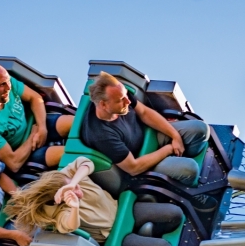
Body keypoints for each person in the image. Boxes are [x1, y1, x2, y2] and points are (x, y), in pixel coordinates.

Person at [6, 156, 184, 246]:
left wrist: (73, 183)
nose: (78, 190)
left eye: (74, 186)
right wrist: (74, 205)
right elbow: (69, 225)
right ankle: (144, 235)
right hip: (114, 234)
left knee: (176, 214)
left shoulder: (68, 178)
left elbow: (86, 163)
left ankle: (148, 231)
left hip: (121, 211)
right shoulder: (59, 213)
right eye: (73, 191)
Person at [80, 71, 210, 186]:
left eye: (126, 96)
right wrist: (169, 148)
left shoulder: (120, 95)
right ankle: (194, 189)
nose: (128, 102)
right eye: (121, 100)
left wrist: (175, 136)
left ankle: (187, 153)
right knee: (190, 169)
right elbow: (134, 167)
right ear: (103, 104)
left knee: (200, 128)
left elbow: (144, 113)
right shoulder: (102, 135)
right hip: (144, 164)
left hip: (149, 136)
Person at [0, 63, 73, 173]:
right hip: (26, 154)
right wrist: (32, 135)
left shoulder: (5, 81)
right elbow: (14, 163)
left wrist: (42, 128)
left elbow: (35, 98)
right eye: (1, 85)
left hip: (36, 124)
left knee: (74, 123)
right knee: (72, 153)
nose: (8, 88)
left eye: (8, 82)